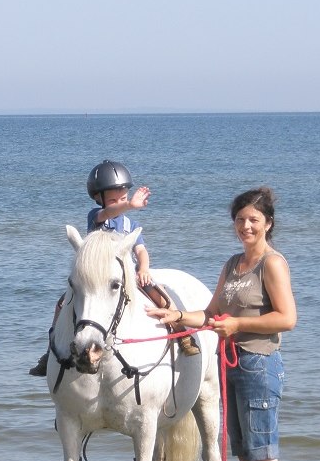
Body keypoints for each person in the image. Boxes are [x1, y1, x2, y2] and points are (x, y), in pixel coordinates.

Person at [147, 186, 297, 461]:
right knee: (245, 454)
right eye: (240, 219)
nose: (246, 226)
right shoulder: (233, 264)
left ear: (268, 223)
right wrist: (178, 315)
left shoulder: (272, 264)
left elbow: (287, 318)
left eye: (254, 220)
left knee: (263, 456)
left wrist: (238, 325)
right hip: (229, 363)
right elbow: (212, 312)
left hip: (259, 363)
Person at [29, 160, 197, 377]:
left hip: (128, 275)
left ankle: (182, 335)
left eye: (123, 198)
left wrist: (143, 269)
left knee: (163, 298)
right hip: (98, 278)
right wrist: (129, 205)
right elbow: (108, 214)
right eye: (113, 200)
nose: (119, 203)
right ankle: (50, 350)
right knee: (62, 305)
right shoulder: (97, 217)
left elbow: (141, 251)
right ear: (99, 199)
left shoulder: (131, 226)